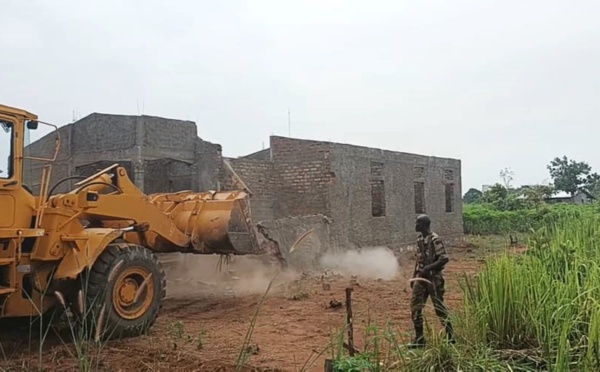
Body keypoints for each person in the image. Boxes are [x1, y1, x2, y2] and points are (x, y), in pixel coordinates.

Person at [408, 214, 454, 348]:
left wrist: (428, 268)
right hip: (421, 278)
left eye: (417, 223)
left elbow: (444, 258)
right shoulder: (420, 239)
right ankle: (419, 339)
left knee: (439, 308)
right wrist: (414, 276)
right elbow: (419, 260)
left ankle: (450, 336)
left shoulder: (435, 239)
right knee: (415, 308)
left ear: (423, 225)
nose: (415, 225)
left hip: (434, 278)